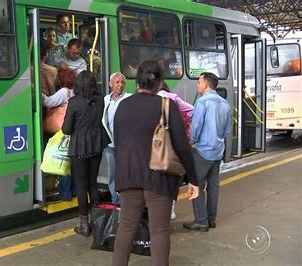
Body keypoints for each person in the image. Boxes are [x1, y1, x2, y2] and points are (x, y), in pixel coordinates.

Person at [112, 60, 199, 266]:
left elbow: (118, 143)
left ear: (137, 81)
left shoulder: (122, 105)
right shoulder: (166, 105)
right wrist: (193, 179)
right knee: (159, 230)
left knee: (125, 228)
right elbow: (182, 145)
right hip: (159, 177)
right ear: (159, 83)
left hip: (129, 176)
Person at [62, 71, 109, 237]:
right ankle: (98, 222)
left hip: (80, 147)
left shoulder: (74, 102)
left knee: (81, 186)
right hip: (96, 145)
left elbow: (66, 129)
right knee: (93, 184)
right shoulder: (101, 99)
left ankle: (84, 225)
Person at [183, 72, 232, 232]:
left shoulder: (202, 102)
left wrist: (192, 140)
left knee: (196, 184)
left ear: (206, 85)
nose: (197, 85)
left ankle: (201, 221)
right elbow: (227, 131)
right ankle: (211, 219)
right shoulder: (225, 104)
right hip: (218, 151)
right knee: (213, 186)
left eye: (199, 82)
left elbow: (196, 127)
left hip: (203, 151)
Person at [157, 82, 194, 220]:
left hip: (157, 144)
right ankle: (171, 209)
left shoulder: (152, 98)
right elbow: (191, 111)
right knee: (172, 175)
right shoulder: (174, 98)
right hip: (173, 143)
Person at [42, 68, 77, 200]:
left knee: (62, 162)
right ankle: (74, 191)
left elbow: (49, 102)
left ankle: (65, 193)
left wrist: (38, 92)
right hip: (71, 131)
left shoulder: (64, 92)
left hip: (60, 132)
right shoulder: (76, 92)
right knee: (70, 162)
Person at [101, 72, 131, 204]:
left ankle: (126, 200)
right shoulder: (105, 100)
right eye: (117, 82)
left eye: (122, 82)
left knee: (124, 172)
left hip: (124, 144)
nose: (120, 85)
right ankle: (115, 200)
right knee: (112, 173)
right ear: (110, 84)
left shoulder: (129, 99)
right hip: (109, 144)